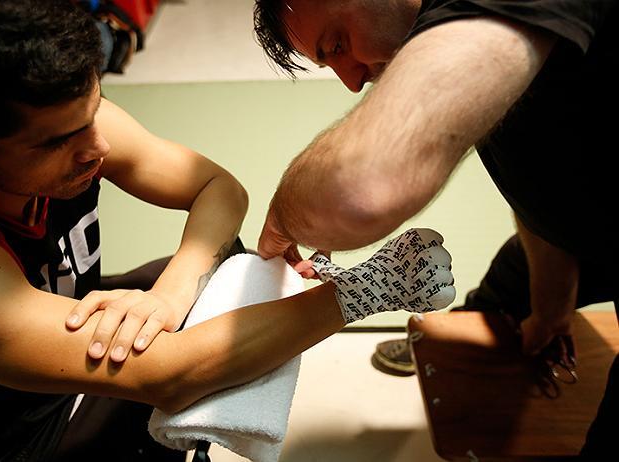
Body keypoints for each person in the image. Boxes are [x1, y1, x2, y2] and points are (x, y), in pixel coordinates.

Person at [0, 1, 456, 460]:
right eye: (61, 142)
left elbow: (216, 188)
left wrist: (172, 293)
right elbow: (165, 373)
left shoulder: (62, 124)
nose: (100, 147)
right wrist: (369, 288)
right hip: (22, 441)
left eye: (93, 114)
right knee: (182, 361)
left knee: (208, 270)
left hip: (67, 322)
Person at [252, 0, 617, 455]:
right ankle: (455, 352)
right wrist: (552, 307)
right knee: (511, 279)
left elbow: (358, 192)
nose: (351, 82)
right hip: (594, 214)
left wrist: (284, 217)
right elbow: (537, 169)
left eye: (338, 44)